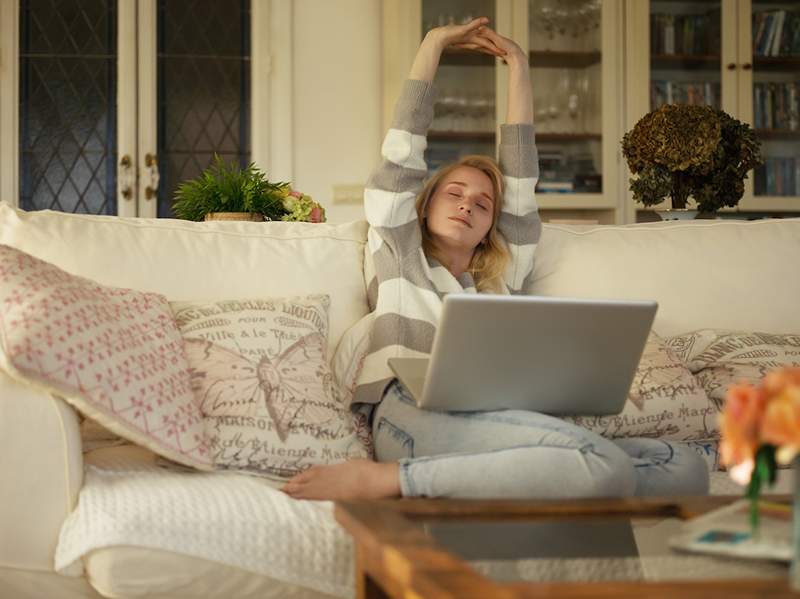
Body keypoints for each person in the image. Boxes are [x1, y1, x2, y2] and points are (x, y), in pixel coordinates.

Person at [282, 18, 709, 501]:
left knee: (684, 465)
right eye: (454, 193)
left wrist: (520, 67)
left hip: (499, 416)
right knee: (606, 466)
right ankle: (391, 480)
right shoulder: (400, 251)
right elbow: (402, 155)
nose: (467, 204)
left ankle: (535, 476)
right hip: (410, 413)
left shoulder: (501, 279)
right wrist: (433, 45)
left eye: (483, 203)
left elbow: (521, 183)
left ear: (492, 226)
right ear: (424, 205)